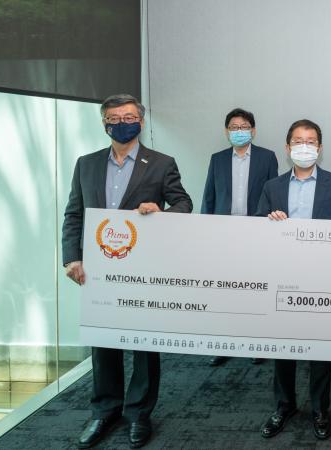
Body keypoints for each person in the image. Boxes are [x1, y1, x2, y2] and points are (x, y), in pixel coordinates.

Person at [62, 94, 193, 449]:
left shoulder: (162, 163)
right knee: (104, 341)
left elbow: (184, 203)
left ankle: (139, 413)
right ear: (105, 123)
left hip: (143, 268)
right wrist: (71, 258)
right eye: (115, 118)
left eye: (130, 117)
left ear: (142, 121)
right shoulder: (86, 164)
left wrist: (162, 213)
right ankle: (104, 411)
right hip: (100, 267)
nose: (123, 123)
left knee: (144, 343)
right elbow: (74, 213)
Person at [256, 119, 331, 441]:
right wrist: (268, 221)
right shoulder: (273, 187)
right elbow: (256, 226)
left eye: (310, 141)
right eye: (297, 141)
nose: (304, 146)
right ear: (287, 147)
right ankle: (284, 405)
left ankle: (320, 409)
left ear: (319, 148)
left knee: (321, 348)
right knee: (283, 346)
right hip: (283, 276)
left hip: (323, 277)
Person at [201, 107, 278, 367]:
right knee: (225, 290)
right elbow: (209, 197)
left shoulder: (267, 157)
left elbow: (274, 195)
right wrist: (205, 232)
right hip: (224, 232)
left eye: (244, 127)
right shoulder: (217, 159)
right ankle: (225, 343)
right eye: (234, 127)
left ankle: (257, 343)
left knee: (257, 289)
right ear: (227, 132)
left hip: (257, 231)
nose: (239, 131)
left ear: (253, 131)